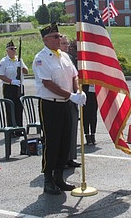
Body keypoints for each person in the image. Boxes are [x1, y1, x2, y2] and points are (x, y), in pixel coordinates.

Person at [32, 22, 86, 195]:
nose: (59, 38)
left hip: (65, 104)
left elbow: (74, 75)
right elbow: (47, 83)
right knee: (52, 141)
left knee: (65, 141)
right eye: (55, 36)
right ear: (45, 39)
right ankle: (48, 178)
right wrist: (70, 95)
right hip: (50, 104)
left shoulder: (64, 56)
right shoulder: (41, 58)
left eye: (59, 35)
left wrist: (77, 90)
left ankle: (59, 177)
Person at [59, 35, 81, 168]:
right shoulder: (52, 59)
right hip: (61, 98)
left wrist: (78, 91)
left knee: (72, 128)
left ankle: (70, 157)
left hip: (72, 97)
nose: (66, 46)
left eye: (66, 43)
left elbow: (75, 76)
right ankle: (62, 159)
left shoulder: (69, 58)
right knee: (62, 131)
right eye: (63, 43)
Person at [0, 40, 28, 129]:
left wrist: (22, 67)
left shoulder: (19, 59)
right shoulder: (4, 61)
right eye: (12, 49)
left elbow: (26, 71)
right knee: (10, 108)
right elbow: (0, 75)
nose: (14, 50)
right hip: (9, 87)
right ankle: (11, 128)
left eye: (15, 49)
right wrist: (12, 81)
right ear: (7, 50)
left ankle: (19, 128)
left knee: (19, 107)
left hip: (19, 87)